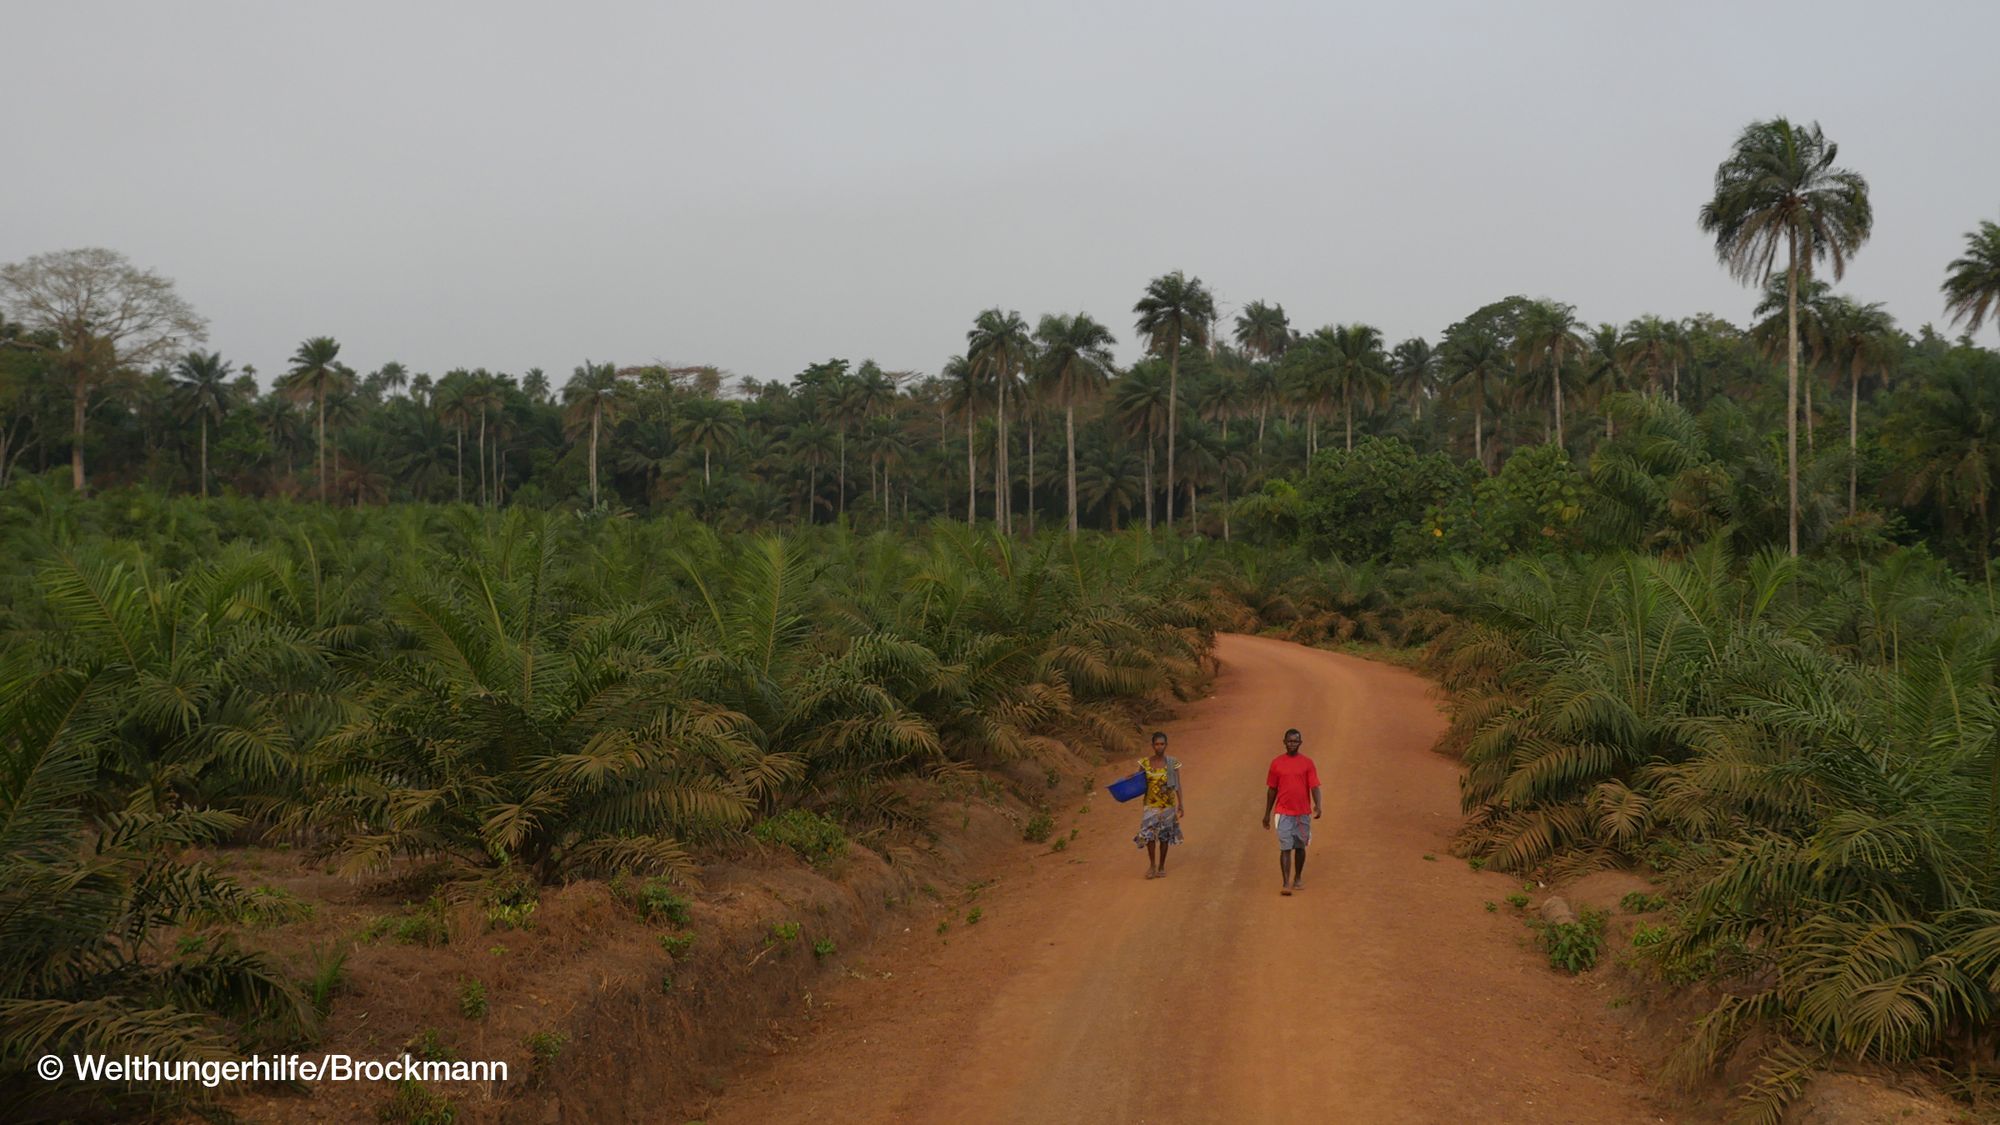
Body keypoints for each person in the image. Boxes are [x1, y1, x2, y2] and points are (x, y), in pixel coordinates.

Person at [1261, 728, 1321, 895]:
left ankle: (1298, 877)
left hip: (1302, 813)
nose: (1292, 744)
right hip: (1283, 813)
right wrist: (1267, 814)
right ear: (1284, 742)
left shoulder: (1307, 763)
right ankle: (1286, 882)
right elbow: (1271, 789)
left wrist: (1318, 805)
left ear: (1300, 743)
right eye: (1289, 741)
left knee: (1300, 847)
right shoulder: (1276, 763)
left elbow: (1314, 786)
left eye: (1295, 741)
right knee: (1285, 847)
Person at [1132, 731, 1185, 879]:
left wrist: (1181, 804)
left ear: (1166, 745)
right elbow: (1138, 782)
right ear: (1152, 745)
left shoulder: (1172, 763)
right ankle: (1152, 865)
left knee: (1163, 837)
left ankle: (1161, 865)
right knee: (1149, 836)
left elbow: (1178, 785)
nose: (1159, 747)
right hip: (1150, 805)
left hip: (1168, 805)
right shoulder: (1145, 763)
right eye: (1157, 744)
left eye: (1162, 744)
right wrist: (1129, 778)